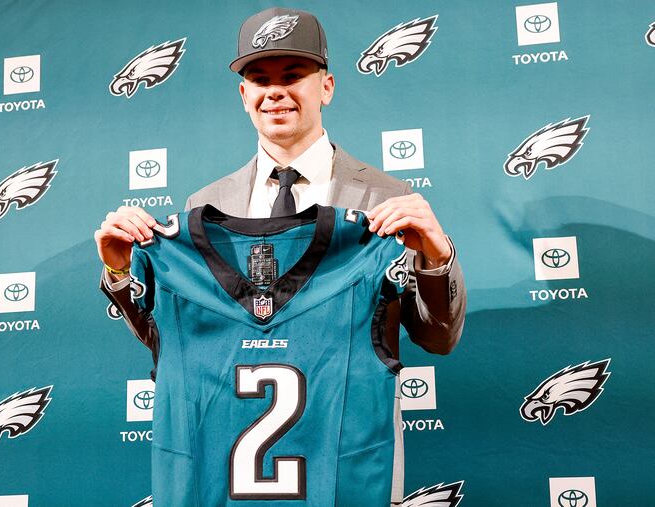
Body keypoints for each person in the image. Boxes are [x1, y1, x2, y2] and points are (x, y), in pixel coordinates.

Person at [95, 7, 466, 504]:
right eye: (260, 79)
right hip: (231, 475)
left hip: (343, 467)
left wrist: (436, 258)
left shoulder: (387, 198)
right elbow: (178, 342)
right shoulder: (203, 205)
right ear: (243, 95)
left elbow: (438, 338)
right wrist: (120, 271)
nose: (275, 92)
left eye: (292, 77)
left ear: (326, 87)